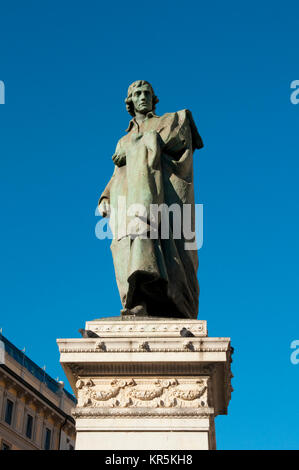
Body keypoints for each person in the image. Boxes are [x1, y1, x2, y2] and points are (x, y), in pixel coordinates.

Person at [99, 80, 203, 318]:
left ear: (154, 98)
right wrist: (105, 197)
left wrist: (138, 147)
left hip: (163, 201)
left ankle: (157, 302)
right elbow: (118, 175)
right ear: (130, 102)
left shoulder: (165, 122)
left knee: (159, 244)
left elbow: (180, 145)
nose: (143, 96)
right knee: (127, 245)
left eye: (147, 93)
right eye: (137, 94)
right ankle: (137, 300)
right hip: (128, 202)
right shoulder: (123, 141)